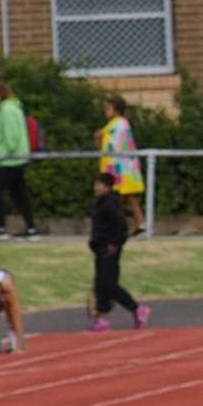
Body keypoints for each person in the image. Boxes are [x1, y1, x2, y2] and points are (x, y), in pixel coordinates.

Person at [88, 172, 150, 331]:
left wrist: (114, 244)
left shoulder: (110, 204)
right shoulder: (100, 203)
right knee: (100, 284)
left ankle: (136, 308)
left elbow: (121, 227)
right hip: (100, 247)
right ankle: (101, 319)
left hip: (109, 249)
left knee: (109, 284)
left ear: (108, 187)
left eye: (100, 185)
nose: (96, 188)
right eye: (96, 184)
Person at [0, 82, 37, 239]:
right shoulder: (13, 108)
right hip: (18, 158)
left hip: (10, 159)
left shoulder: (6, 111)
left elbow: (10, 138)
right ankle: (31, 229)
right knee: (19, 194)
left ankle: (1, 228)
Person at [94, 96, 145, 235]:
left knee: (118, 198)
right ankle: (140, 224)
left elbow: (115, 146)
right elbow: (102, 147)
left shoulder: (120, 124)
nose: (105, 111)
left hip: (121, 169)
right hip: (119, 168)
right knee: (127, 197)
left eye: (108, 108)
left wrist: (101, 136)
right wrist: (98, 137)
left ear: (116, 110)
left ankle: (122, 226)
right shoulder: (111, 125)